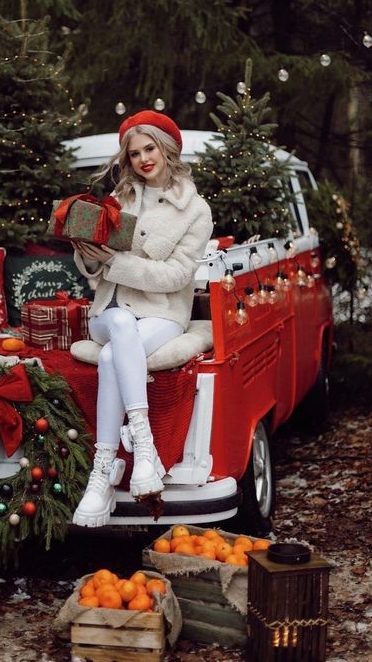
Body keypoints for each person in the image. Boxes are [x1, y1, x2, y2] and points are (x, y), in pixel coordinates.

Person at [71, 110, 213, 528]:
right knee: (117, 326)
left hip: (162, 315)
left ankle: (102, 471)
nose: (143, 159)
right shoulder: (117, 201)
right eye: (134, 154)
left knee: (116, 353)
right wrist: (89, 255)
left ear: (167, 148)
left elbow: (177, 276)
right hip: (109, 310)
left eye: (150, 148)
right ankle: (144, 445)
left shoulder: (195, 210)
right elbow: (93, 267)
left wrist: (116, 263)